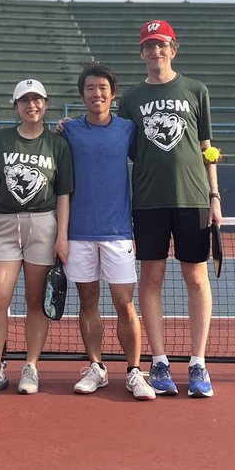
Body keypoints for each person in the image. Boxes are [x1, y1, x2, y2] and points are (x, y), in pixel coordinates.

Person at [118, 20, 221, 399]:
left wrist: (215, 196)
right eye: (148, 46)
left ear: (173, 49)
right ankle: (158, 362)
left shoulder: (196, 90)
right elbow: (123, 146)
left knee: (196, 279)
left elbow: (208, 147)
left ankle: (198, 363)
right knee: (151, 280)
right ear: (142, 52)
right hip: (148, 201)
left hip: (194, 198)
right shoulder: (130, 99)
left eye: (161, 45)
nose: (155, 52)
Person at [60, 63, 156, 401]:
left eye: (102, 87)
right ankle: (96, 367)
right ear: (82, 94)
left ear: (112, 94)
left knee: (124, 303)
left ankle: (134, 371)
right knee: (87, 300)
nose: (96, 93)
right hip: (79, 232)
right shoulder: (69, 130)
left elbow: (157, 154)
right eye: (89, 88)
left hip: (118, 232)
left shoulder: (128, 129)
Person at [0, 78, 74, 397]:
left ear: (45, 104)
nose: (32, 106)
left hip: (43, 225)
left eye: (37, 100)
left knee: (36, 302)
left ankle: (31, 366)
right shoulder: (1, 140)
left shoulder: (58, 144)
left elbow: (63, 193)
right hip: (5, 224)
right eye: (25, 101)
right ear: (15, 106)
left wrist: (62, 236)